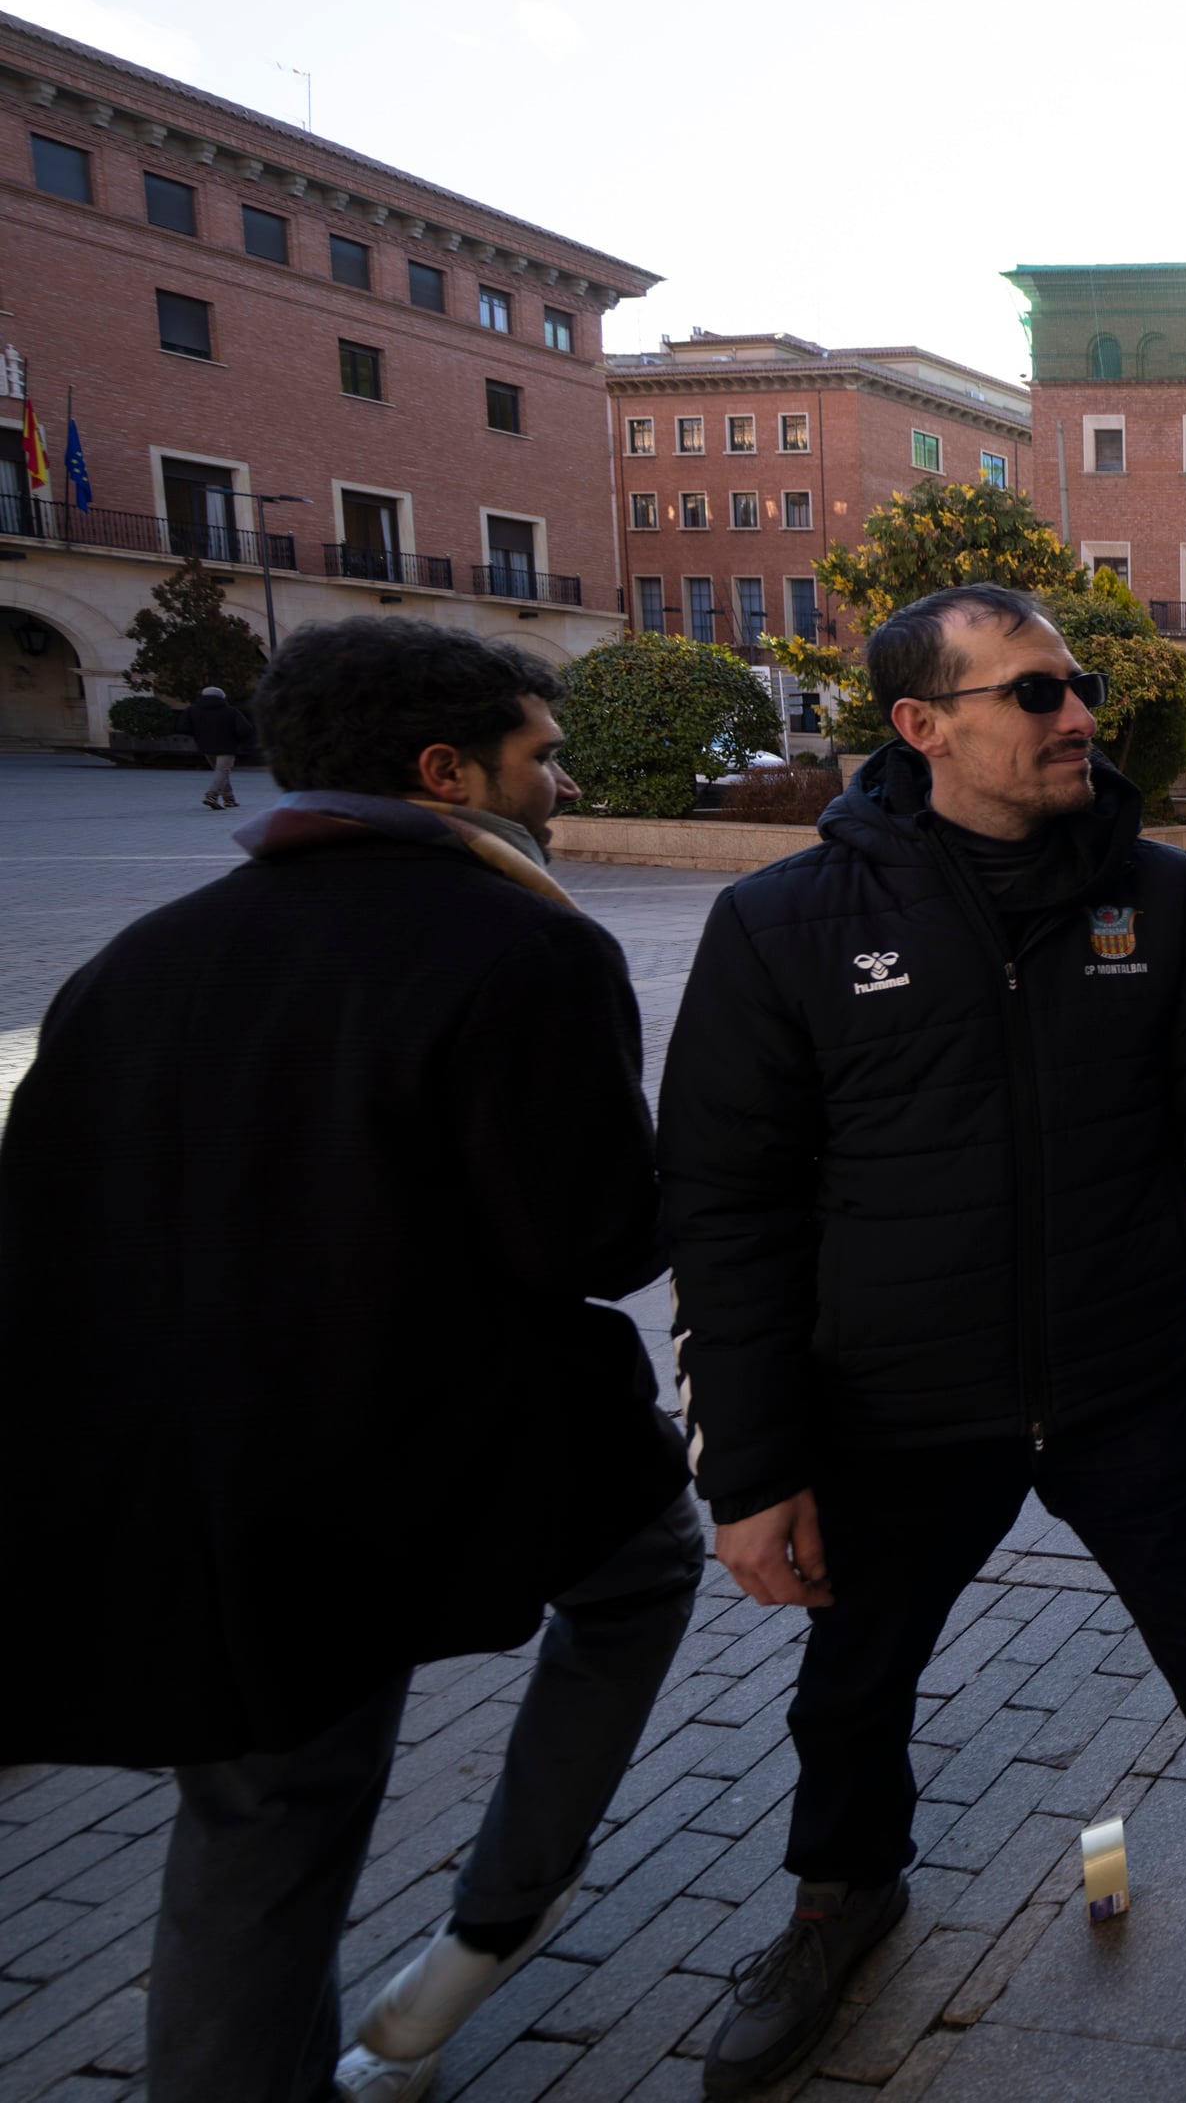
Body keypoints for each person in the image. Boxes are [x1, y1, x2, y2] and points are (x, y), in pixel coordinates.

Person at [658, 583, 1186, 2092]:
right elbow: (725, 1208)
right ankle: (840, 1894)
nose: (1077, 712)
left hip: (1122, 1377)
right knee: (854, 1679)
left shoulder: (1156, 894)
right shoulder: (782, 922)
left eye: (1074, 684)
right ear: (922, 724)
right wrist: (749, 1470)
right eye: (1032, 692)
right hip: (891, 1404)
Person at [0, 618, 702, 2103]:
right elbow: (596, 1242)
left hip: (180, 1488)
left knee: (260, 1820)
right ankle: (492, 1923)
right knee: (642, 1567)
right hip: (394, 1466)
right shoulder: (525, 945)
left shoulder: (141, 959)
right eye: (541, 753)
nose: (562, 784)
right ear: (447, 772)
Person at [186, 680, 249, 809]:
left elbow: (184, 727)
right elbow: (245, 729)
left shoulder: (193, 710)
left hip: (206, 745)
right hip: (227, 745)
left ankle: (229, 799)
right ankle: (212, 796)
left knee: (221, 772)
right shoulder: (231, 711)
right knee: (223, 770)